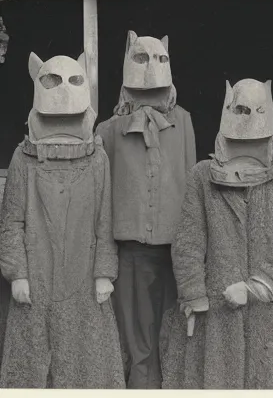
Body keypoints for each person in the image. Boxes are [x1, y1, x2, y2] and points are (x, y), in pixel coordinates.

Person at [161, 78, 273, 389]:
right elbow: (189, 239)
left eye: (257, 110)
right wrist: (193, 294)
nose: (248, 121)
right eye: (240, 110)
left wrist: (258, 285)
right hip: (216, 307)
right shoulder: (202, 176)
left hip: (272, 307)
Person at [0, 53, 123, 388]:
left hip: (83, 275)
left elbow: (104, 219)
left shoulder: (97, 157)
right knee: (31, 364)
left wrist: (103, 274)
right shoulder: (22, 157)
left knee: (87, 362)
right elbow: (11, 222)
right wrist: (17, 274)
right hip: (36, 276)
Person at [96, 31, 196, 388]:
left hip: (174, 251)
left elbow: (191, 180)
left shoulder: (182, 121)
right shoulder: (107, 131)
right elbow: (101, 198)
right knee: (137, 339)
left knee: (174, 330)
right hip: (131, 253)